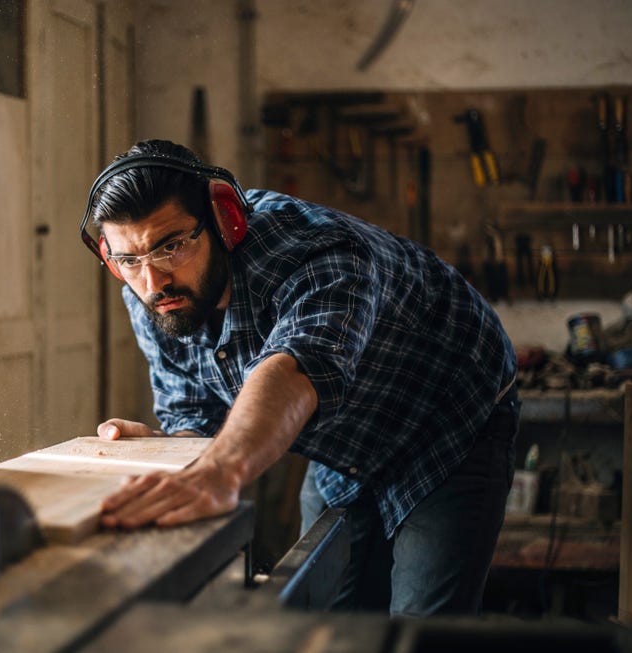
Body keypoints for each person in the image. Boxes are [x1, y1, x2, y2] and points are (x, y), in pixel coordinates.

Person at [79, 139, 519, 616]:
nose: (153, 281)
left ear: (225, 221)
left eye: (172, 246)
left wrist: (219, 471)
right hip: (341, 445)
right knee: (324, 621)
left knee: (420, 632)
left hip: (447, 418)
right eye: (128, 260)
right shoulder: (152, 296)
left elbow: (295, 368)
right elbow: (195, 417)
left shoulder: (318, 250)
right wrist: (174, 450)